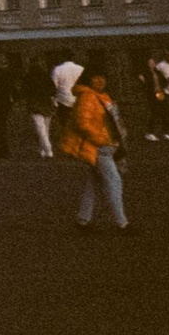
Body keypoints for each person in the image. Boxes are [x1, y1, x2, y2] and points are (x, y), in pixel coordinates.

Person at [59, 68, 129, 232]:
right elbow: (82, 123)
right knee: (114, 182)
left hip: (105, 146)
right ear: (88, 80)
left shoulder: (101, 96)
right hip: (100, 147)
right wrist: (101, 139)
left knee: (94, 184)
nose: (100, 81)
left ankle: (83, 219)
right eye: (96, 77)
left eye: (103, 77)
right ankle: (122, 223)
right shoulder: (88, 97)